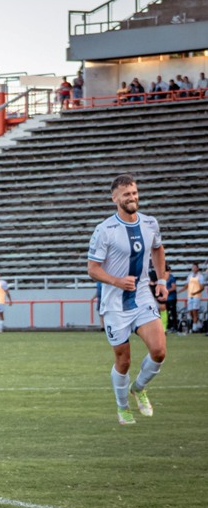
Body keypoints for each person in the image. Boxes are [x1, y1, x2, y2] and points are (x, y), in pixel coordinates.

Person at [87, 173, 167, 426]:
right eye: (126, 195)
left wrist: (162, 280)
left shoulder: (150, 223)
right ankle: (122, 407)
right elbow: (92, 269)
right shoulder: (105, 230)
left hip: (142, 296)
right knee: (123, 361)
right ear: (115, 199)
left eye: (134, 193)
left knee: (159, 351)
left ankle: (139, 387)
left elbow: (157, 248)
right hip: (114, 304)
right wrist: (116, 280)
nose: (132, 198)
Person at [179, 263, 204, 332]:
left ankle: (194, 328)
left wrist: (196, 292)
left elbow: (202, 287)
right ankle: (198, 324)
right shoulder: (190, 276)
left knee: (194, 311)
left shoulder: (200, 276)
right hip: (190, 296)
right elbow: (186, 285)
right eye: (193, 267)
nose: (194, 268)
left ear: (197, 268)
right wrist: (179, 291)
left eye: (195, 267)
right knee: (190, 312)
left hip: (196, 296)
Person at [165, 265, 178, 332]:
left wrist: (166, 291)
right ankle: (169, 326)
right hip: (166, 299)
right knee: (166, 313)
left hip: (172, 298)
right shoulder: (164, 278)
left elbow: (173, 287)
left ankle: (175, 327)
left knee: (173, 313)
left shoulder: (172, 278)